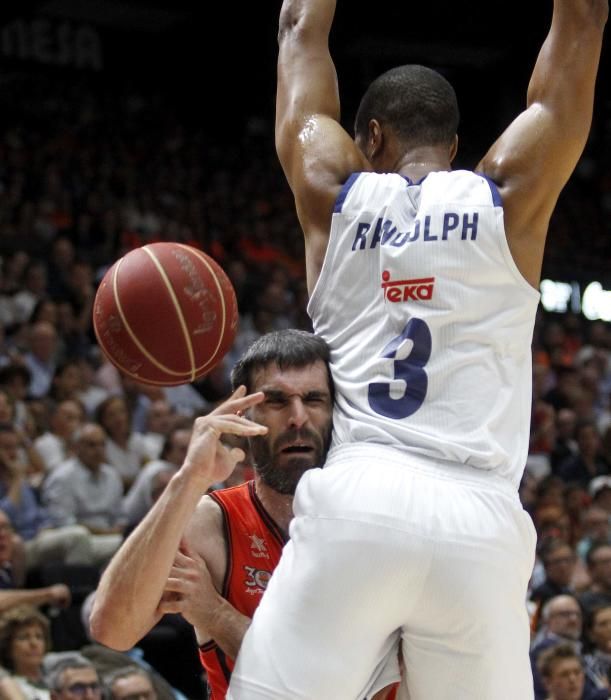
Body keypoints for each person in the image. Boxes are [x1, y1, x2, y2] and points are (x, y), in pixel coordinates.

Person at [225, 1, 608, 698]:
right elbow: (581, 22)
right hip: (481, 526)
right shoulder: (508, 195)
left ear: (368, 137)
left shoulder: (332, 194)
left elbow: (296, 29)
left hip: (362, 499)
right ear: (453, 147)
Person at [90, 331, 399, 699]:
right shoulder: (215, 520)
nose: (298, 417)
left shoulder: (379, 517)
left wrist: (214, 614)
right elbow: (113, 629)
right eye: (277, 400)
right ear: (241, 415)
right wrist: (190, 477)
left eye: (314, 399)